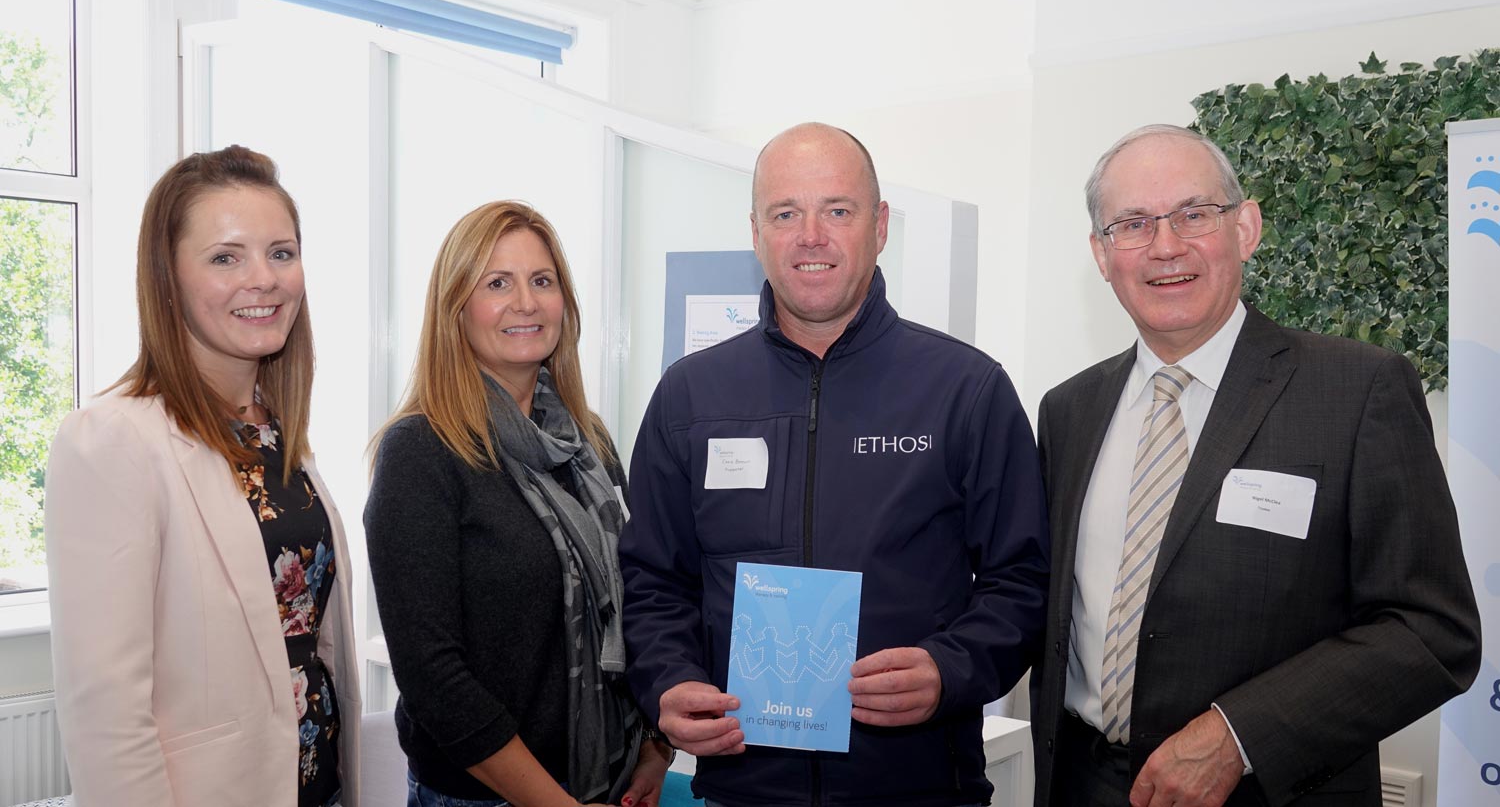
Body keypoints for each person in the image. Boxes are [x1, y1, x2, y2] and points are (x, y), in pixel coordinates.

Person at [1030, 124, 1482, 807]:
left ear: (1246, 228)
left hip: (1269, 789)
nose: (1165, 246)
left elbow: (1431, 631)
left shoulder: (1358, 391)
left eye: (1193, 214)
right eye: (1133, 224)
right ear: (1101, 254)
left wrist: (1239, 736)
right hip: (1081, 784)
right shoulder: (1067, 411)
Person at [619, 122, 1049, 807]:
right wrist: (667, 681)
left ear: (879, 227)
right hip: (746, 788)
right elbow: (653, 579)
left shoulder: (965, 389)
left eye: (837, 211)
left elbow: (1022, 581)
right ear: (756, 232)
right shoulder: (690, 394)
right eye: (785, 213)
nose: (810, 235)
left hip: (920, 785)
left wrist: (948, 669)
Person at [45, 146, 361, 806]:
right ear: (169, 278)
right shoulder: (112, 440)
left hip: (319, 785)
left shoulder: (277, 435)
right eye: (225, 257)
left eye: (281, 252)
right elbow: (105, 712)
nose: (264, 279)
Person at [364, 201, 672, 807]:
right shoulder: (421, 452)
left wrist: (654, 749)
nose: (525, 302)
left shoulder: (589, 444)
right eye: (497, 283)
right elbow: (433, 677)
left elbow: (640, 598)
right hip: (481, 797)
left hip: (607, 778)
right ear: (455, 308)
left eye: (542, 281)